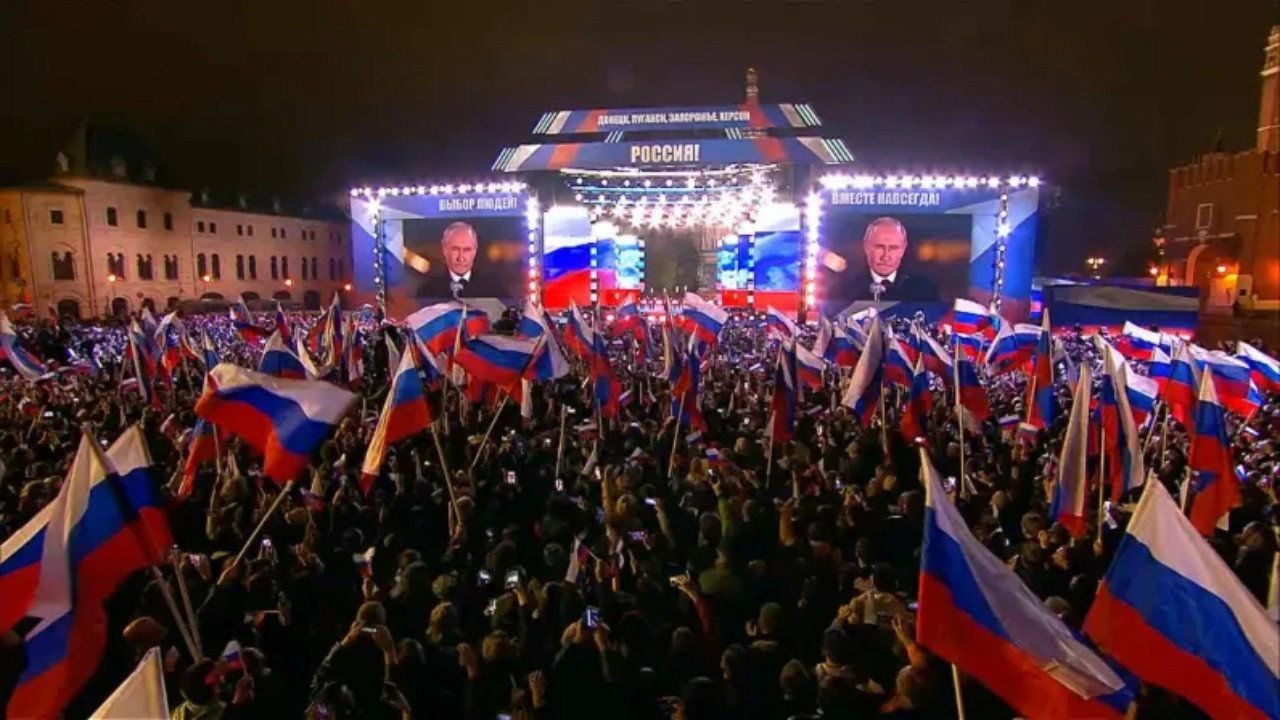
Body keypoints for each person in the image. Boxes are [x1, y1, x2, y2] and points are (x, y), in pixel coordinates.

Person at [849, 217, 940, 302]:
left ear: (903, 249)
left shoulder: (923, 289)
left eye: (893, 248)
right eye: (879, 247)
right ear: (866, 246)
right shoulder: (847, 287)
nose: (885, 257)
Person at [413, 221, 503, 300]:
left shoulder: (494, 288)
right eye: (455, 249)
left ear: (475, 251)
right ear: (444, 249)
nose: (461, 258)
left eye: (467, 250)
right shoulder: (428, 290)